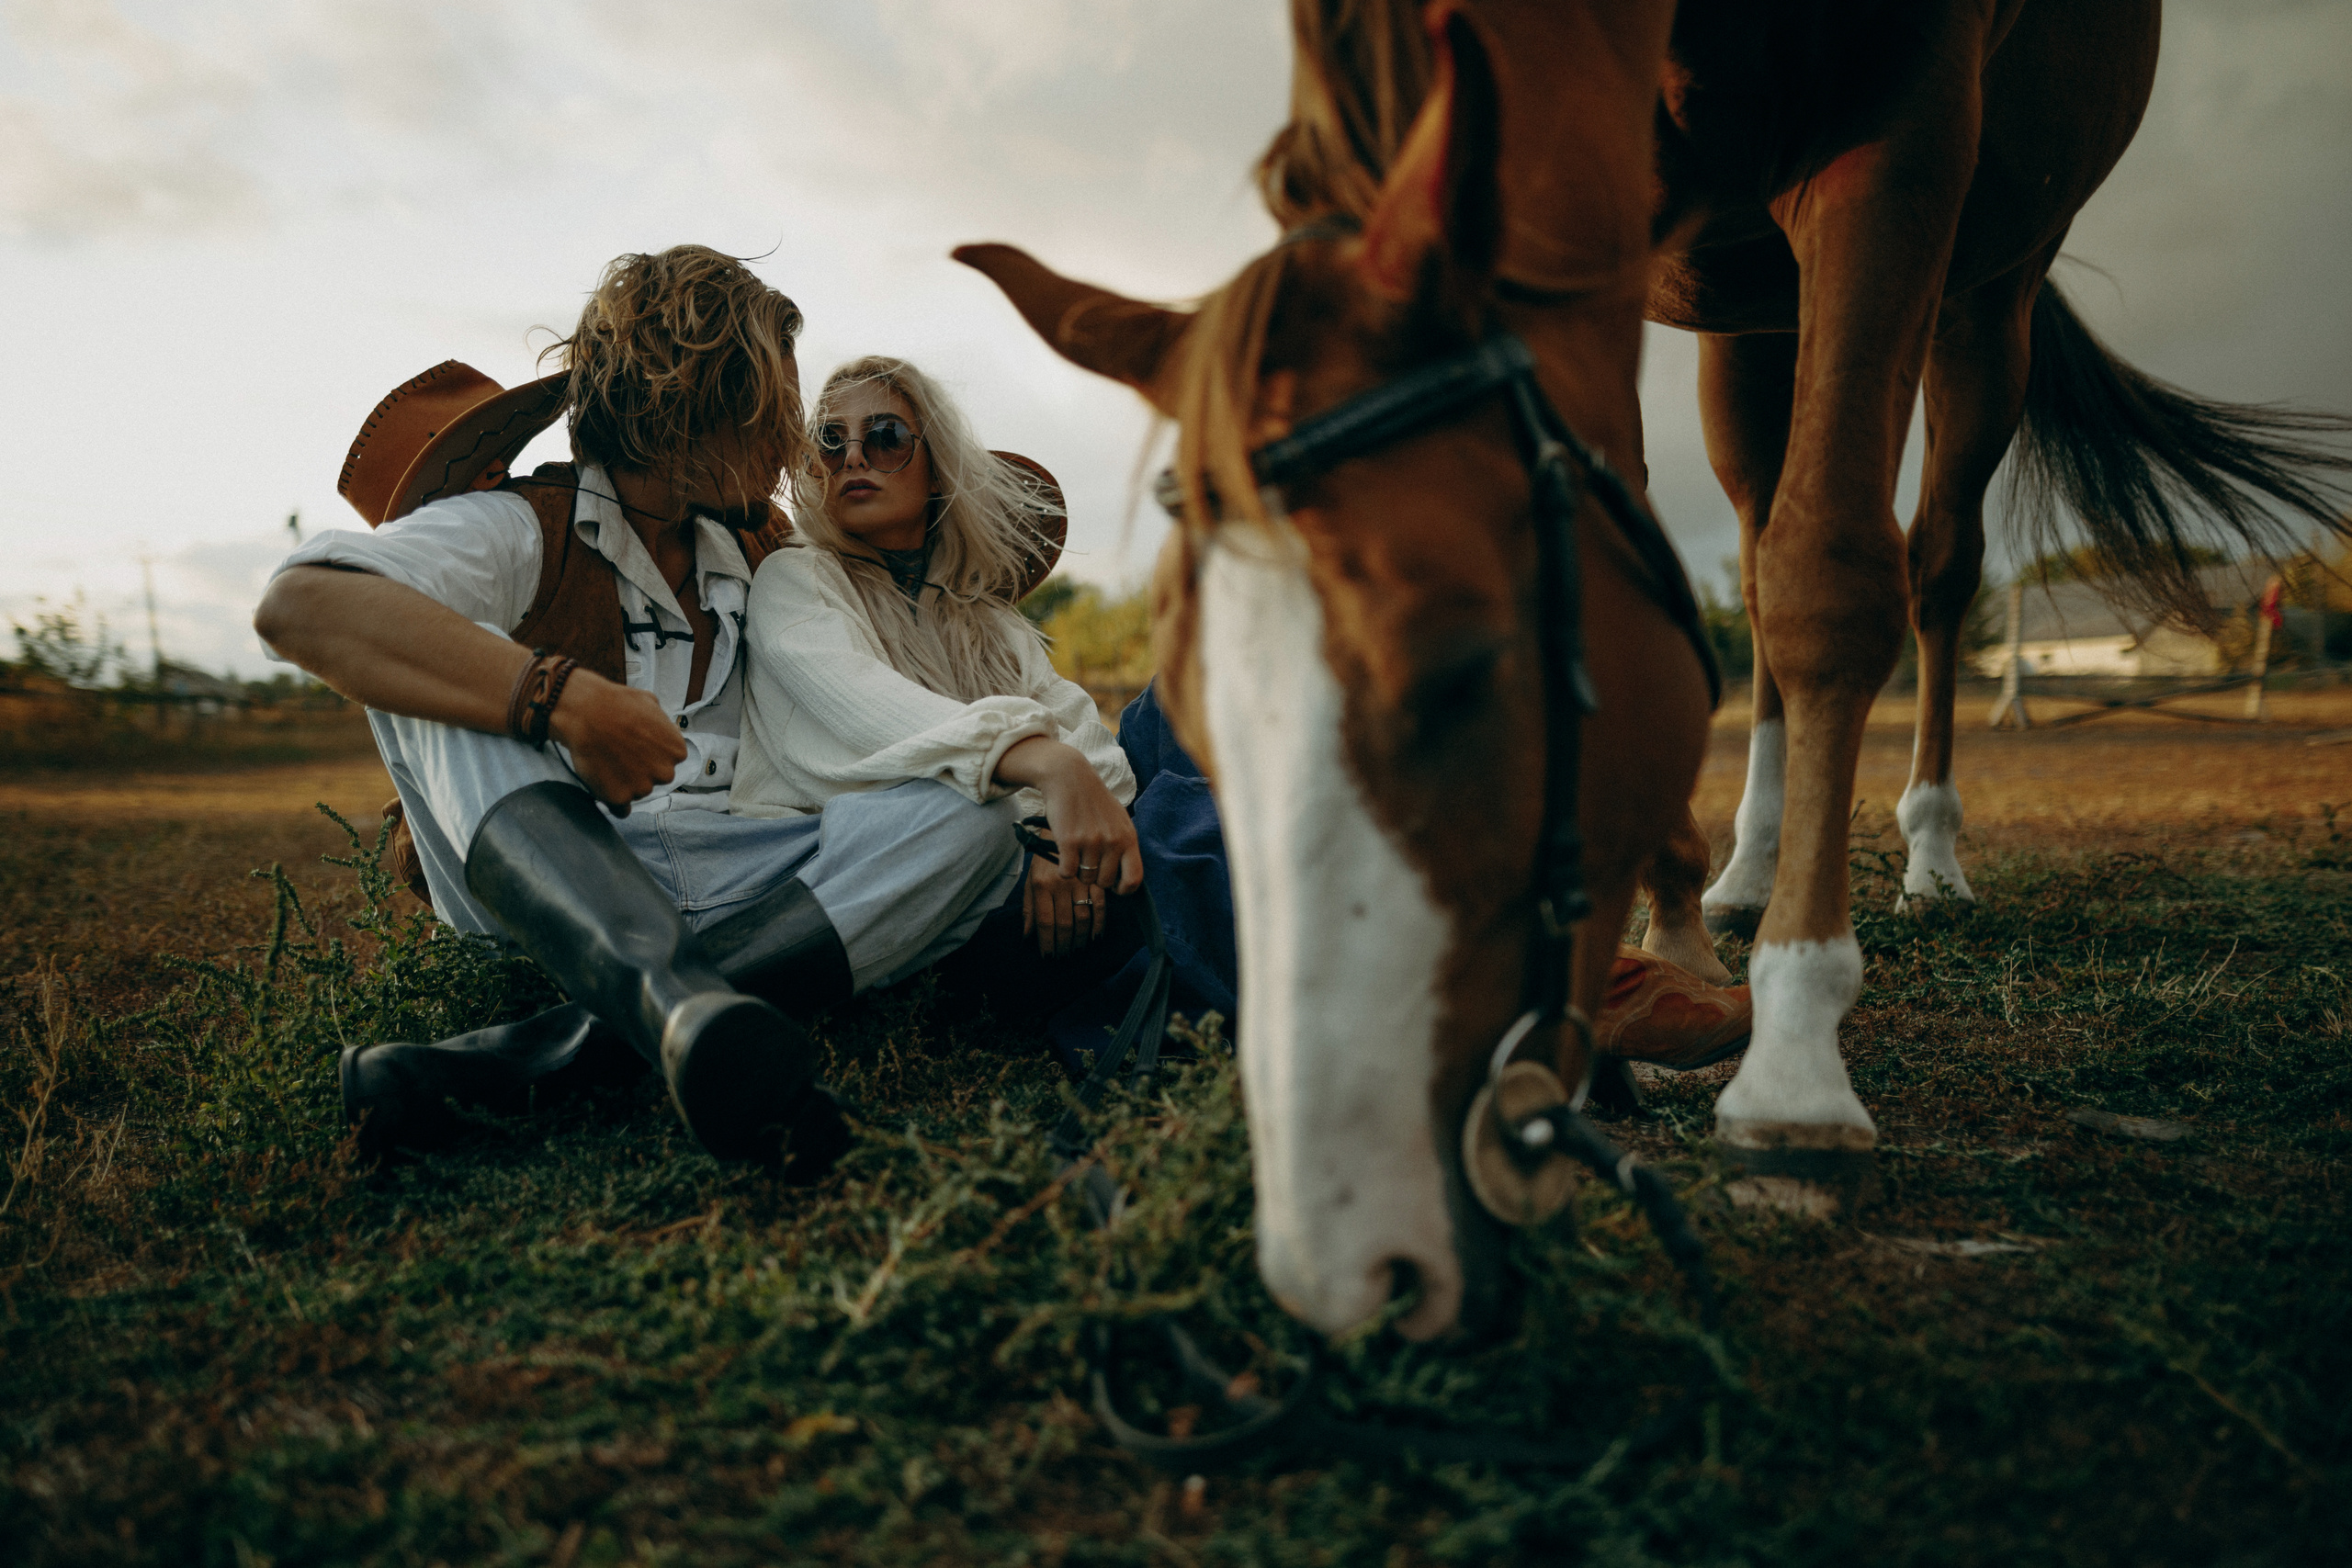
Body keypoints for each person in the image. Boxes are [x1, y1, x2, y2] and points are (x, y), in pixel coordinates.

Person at [253, 249, 1023, 1179]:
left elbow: (889, 671)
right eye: (777, 412)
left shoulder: (765, 550)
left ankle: (568, 1047)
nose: (793, 446)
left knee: (973, 818)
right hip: (549, 889)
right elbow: (302, 601)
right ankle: (676, 1008)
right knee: (431, 657)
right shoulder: (524, 526)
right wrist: (556, 696)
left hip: (750, 883)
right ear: (694, 398)